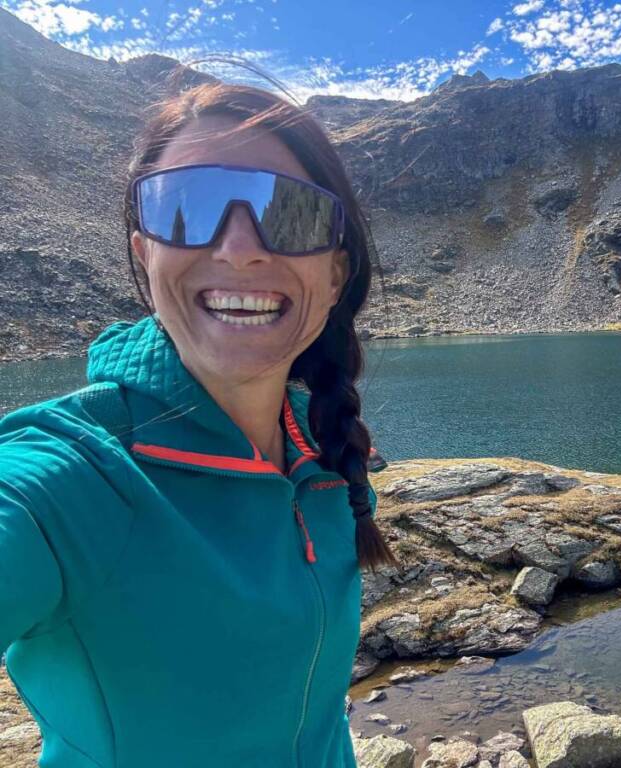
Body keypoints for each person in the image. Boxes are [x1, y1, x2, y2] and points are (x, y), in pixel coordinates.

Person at [0, 72, 400, 767]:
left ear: (335, 276)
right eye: (187, 207)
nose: (240, 247)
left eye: (291, 212)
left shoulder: (320, 446)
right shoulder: (73, 475)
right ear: (144, 253)